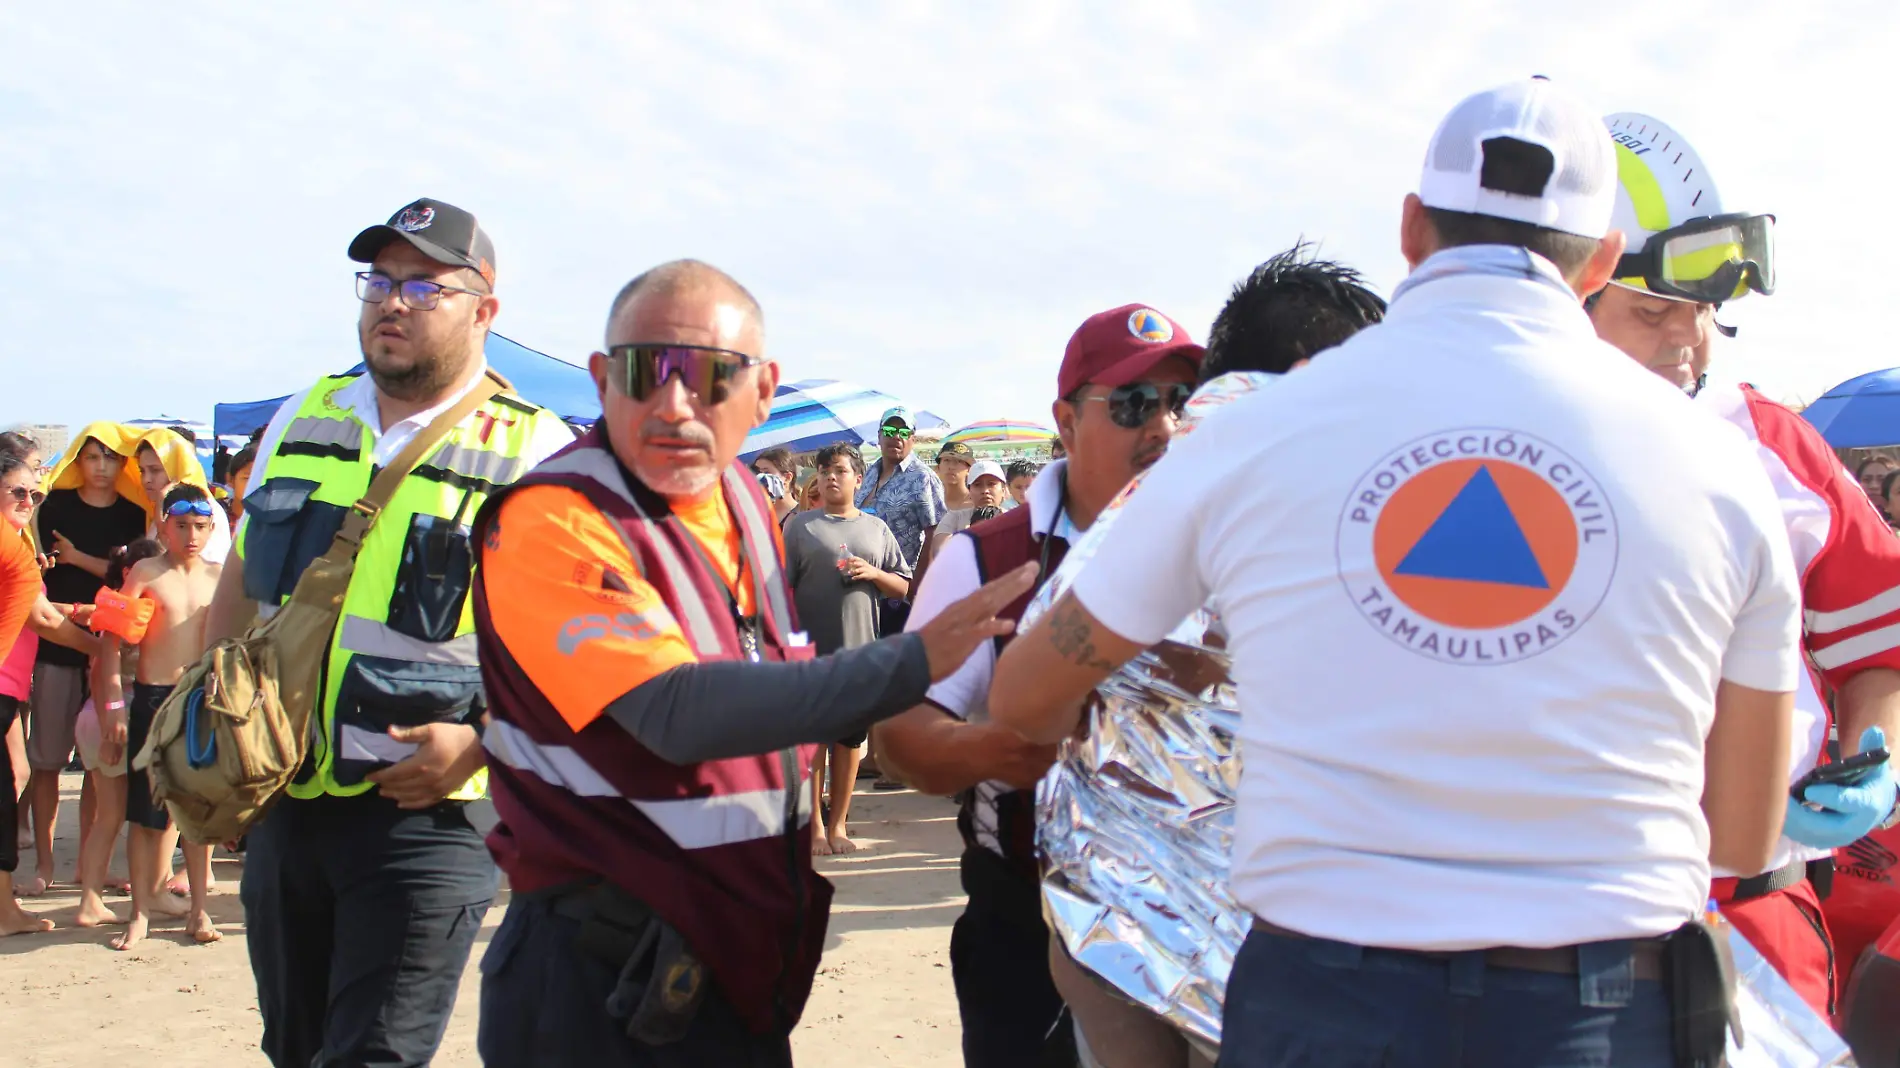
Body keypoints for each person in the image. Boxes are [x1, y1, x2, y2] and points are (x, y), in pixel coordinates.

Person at [990, 79, 1801, 1068]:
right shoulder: (1720, 471)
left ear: (1411, 229)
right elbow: (1741, 839)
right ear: (1595, 261)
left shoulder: (1245, 441)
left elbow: (1024, 696)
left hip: (1324, 1007)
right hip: (1593, 1013)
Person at [466, 257, 1036, 1066]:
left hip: (724, 957)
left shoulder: (738, 499)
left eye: (709, 377)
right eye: (643, 371)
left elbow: (770, 674)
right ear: (600, 379)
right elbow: (674, 712)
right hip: (599, 973)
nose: (673, 403)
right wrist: (910, 664)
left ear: (762, 392)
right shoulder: (555, 516)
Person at [200, 197, 576, 1067]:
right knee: (292, 1046)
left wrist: (482, 743)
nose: (392, 302)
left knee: (373, 1056)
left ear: (485, 309)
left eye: (422, 285)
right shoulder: (306, 413)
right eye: (378, 280)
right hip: (287, 795)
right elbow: (241, 577)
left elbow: (579, 654)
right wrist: (212, 723)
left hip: (430, 814)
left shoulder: (538, 457)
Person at [1037, 244, 1386, 1068]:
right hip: (1203, 930)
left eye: (1174, 399)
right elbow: (1022, 701)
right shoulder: (1311, 493)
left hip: (1118, 916)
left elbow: (1035, 685)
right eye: (1132, 402)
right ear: (1313, 374)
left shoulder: (1166, 496)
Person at [1587, 111, 1900, 1018]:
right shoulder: (1478, 453)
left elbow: (1879, 638)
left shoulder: (1774, 444)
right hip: (1550, 931)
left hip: (1756, 913)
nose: (1691, 340)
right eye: (1652, 310)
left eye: (1705, 308)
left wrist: (1871, 753)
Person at [876, 301, 1202, 1067]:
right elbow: (898, 738)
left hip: (1199, 930)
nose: (1161, 427)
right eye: (1131, 404)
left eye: (1180, 403)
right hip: (1029, 932)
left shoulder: (1226, 547)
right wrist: (999, 749)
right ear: (1065, 419)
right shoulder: (987, 560)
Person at [95, 484, 222, 949]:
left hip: (200, 702)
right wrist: (112, 706)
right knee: (145, 815)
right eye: (182, 525)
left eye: (200, 527)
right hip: (152, 698)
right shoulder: (146, 572)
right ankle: (139, 914)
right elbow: (110, 643)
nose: (191, 535)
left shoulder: (219, 577)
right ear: (163, 525)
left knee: (198, 813)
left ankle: (200, 910)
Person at [25, 428, 147, 893]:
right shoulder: (52, 506)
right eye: (92, 456)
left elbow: (130, 577)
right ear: (79, 459)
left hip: (109, 646)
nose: (100, 465)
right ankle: (44, 863)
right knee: (48, 760)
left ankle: (88, 870)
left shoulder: (136, 513)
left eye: (110, 457)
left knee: (99, 766)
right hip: (57, 643)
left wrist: (78, 559)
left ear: (122, 465)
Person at [784, 442, 912, 854]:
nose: (830, 477)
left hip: (860, 652)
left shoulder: (876, 529)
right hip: (811, 655)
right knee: (813, 743)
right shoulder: (800, 527)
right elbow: (780, 590)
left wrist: (873, 573)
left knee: (850, 742)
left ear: (859, 479)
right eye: (823, 471)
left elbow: (904, 585)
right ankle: (815, 827)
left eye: (839, 470)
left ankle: (839, 823)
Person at [73, 538, 163, 928]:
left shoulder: (114, 606)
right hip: (114, 720)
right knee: (128, 818)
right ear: (133, 573)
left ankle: (91, 900)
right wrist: (113, 723)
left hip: (95, 718)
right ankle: (115, 897)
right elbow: (101, 672)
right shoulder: (129, 613)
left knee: (107, 817)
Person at [2, 452, 56, 935]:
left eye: (34, 493)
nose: (28, 500)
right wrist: (99, 642)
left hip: (8, 683)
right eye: (17, 490)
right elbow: (41, 616)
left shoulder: (15, 539)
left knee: (15, 773)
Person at [857, 405, 945, 578]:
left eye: (904, 432)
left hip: (901, 585)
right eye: (889, 431)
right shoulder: (869, 472)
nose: (896, 437)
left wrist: (917, 584)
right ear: (879, 436)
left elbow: (935, 533)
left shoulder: (923, 477)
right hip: (863, 579)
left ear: (912, 439)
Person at [752, 446, 799, 525]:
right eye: (757, 473)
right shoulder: (756, 515)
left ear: (787, 477)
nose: (760, 477)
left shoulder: (802, 515)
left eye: (767, 473)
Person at [938, 441, 976, 512]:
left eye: (959, 461)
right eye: (946, 460)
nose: (951, 467)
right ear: (938, 467)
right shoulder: (931, 501)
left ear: (969, 469)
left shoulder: (976, 503)